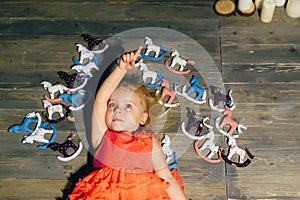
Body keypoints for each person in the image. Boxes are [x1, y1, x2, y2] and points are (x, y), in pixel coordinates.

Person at [68, 46, 188, 200]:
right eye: (113, 105)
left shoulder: (150, 143)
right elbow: (100, 100)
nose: (118, 110)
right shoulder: (103, 137)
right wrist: (120, 69)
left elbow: (166, 176)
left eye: (128, 106)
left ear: (142, 118)